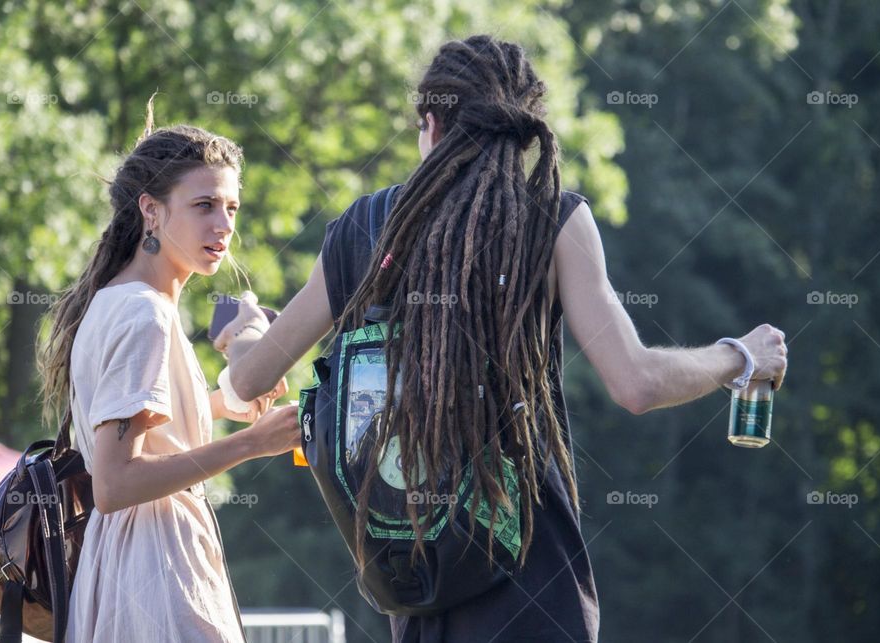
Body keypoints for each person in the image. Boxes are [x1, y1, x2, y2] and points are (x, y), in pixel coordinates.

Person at [216, 35, 789, 642]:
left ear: (430, 124)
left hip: (417, 593)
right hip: (537, 592)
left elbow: (251, 381)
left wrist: (245, 331)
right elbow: (637, 384)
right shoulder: (553, 220)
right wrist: (740, 356)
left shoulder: (362, 228)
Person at [38, 103, 300, 642]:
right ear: (151, 212)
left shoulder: (119, 301)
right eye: (204, 205)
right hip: (157, 568)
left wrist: (221, 406)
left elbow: (143, 433)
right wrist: (252, 443)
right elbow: (114, 484)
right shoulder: (145, 313)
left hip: (122, 566)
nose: (224, 225)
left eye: (232, 207)